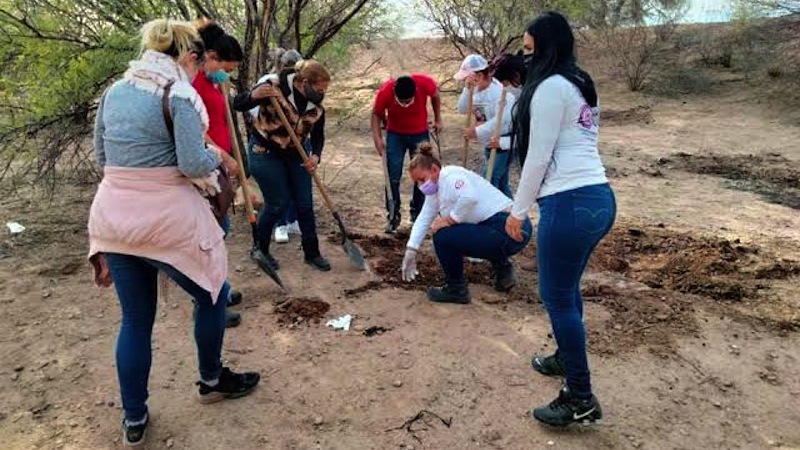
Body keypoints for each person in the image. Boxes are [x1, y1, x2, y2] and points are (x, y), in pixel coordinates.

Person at [88, 19, 260, 446]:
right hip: (166, 219)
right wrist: (217, 156)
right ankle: (211, 380)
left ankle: (134, 418)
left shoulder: (114, 91)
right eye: (197, 62)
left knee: (135, 320)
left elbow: (101, 154)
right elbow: (192, 164)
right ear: (188, 57)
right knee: (213, 294)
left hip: (113, 218)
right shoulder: (177, 93)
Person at [505, 11, 615, 427]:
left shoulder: (551, 87)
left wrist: (517, 211)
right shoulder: (579, 82)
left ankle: (580, 397)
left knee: (555, 297)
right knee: (567, 293)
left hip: (570, 204)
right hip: (597, 198)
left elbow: (539, 156)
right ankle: (564, 357)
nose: (525, 59)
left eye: (529, 51)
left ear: (547, 48)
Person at [400, 143, 532, 303]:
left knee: (443, 236)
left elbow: (469, 197)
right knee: (467, 228)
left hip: (509, 228)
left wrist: (449, 220)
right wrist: (411, 249)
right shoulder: (436, 189)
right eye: (417, 183)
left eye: (422, 179)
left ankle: (456, 289)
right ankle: (503, 271)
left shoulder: (450, 176)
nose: (421, 186)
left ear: (434, 169)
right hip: (508, 228)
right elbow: (424, 218)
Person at [233, 59, 332, 272]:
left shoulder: (317, 108)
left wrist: (315, 156)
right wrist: (253, 95)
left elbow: (318, 137)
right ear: (303, 82)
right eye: (319, 88)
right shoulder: (273, 87)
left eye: (324, 90)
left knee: (304, 204)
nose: (322, 93)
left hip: (297, 154)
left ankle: (312, 253)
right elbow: (238, 103)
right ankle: (260, 249)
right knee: (276, 203)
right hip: (264, 152)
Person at [192, 19, 244, 328]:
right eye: (227, 66)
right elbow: (198, 131)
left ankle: (220, 290)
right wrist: (224, 156)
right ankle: (210, 301)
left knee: (221, 231)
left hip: (219, 164)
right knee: (212, 235)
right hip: (208, 165)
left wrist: (222, 82)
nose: (229, 72)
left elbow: (222, 117)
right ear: (210, 57)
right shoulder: (194, 83)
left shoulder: (212, 81)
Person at [371, 73, 443, 234]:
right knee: (393, 174)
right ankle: (393, 216)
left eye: (408, 101)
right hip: (395, 135)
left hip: (419, 133)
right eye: (401, 101)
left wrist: (438, 119)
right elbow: (376, 113)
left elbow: (435, 94)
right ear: (395, 93)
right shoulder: (386, 91)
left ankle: (418, 215)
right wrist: (377, 138)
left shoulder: (424, 83)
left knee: (422, 174)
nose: (405, 104)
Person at [456, 54, 516, 198]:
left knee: (488, 180)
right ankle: (515, 217)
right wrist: (467, 89)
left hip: (503, 143)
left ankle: (497, 215)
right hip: (488, 143)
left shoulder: (500, 93)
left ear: (480, 75)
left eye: (468, 77)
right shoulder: (474, 91)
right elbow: (463, 108)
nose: (466, 80)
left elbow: (502, 121)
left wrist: (477, 131)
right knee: (501, 184)